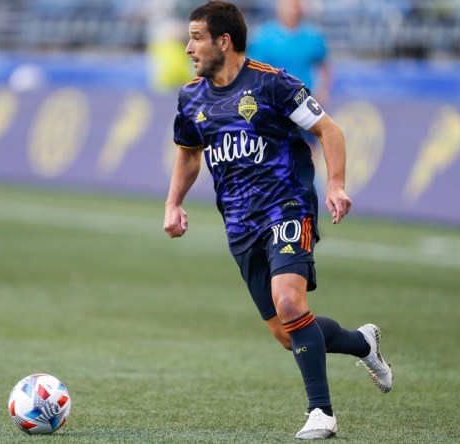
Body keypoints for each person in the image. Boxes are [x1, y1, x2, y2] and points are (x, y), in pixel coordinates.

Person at [163, 1, 392, 440]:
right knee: (290, 333)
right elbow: (189, 152)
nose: (188, 47)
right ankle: (363, 343)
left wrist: (336, 185)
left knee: (290, 303)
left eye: (196, 37)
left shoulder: (272, 85)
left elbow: (330, 130)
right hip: (239, 224)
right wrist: (174, 202)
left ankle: (321, 413)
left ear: (223, 41)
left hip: (287, 206)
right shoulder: (192, 96)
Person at [247, 0, 331, 105]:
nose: (291, 10)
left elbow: (324, 66)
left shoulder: (313, 36)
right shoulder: (262, 36)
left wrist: (323, 89)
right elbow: (252, 69)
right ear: (279, 7)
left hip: (304, 100)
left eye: (294, 6)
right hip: (272, 101)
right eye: (288, 5)